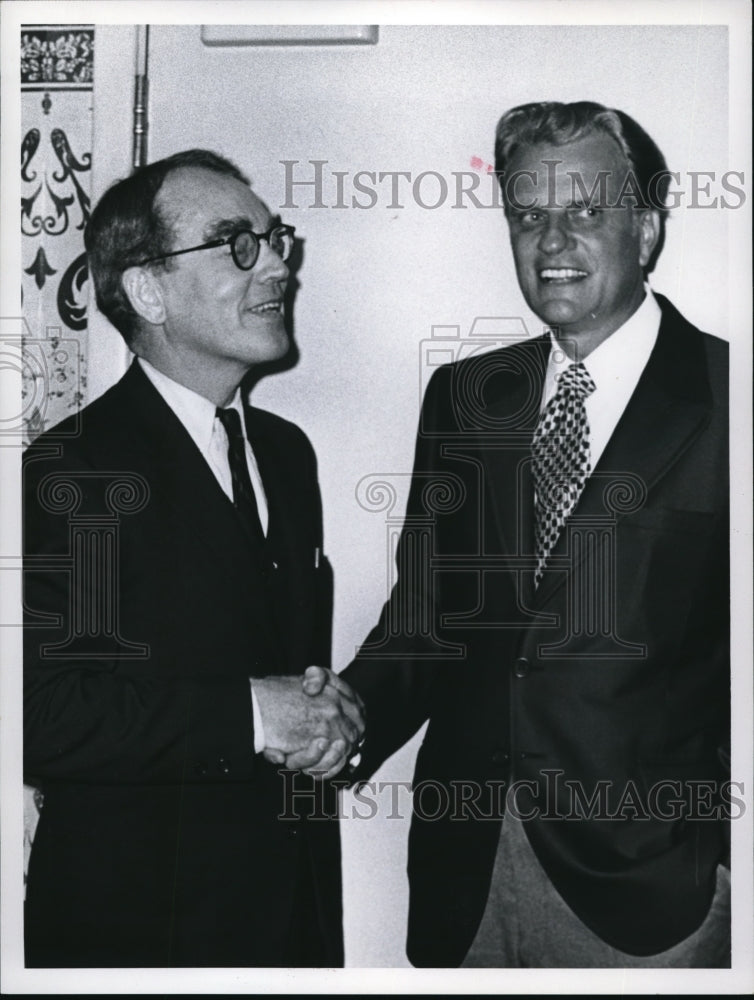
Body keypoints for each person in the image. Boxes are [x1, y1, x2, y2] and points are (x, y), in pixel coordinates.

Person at [301, 101, 731, 967]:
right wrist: (340, 720)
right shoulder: (465, 400)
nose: (552, 241)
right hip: (465, 871)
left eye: (584, 211)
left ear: (645, 229)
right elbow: (426, 618)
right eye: (528, 215)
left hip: (652, 892)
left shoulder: (732, 397)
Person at [23, 148, 364, 968]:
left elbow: (275, 663)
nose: (278, 263)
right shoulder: (69, 471)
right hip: (139, 937)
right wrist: (252, 713)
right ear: (147, 290)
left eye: (275, 237)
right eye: (236, 243)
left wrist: (329, 724)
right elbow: (36, 714)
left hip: (293, 923)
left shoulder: (286, 453)